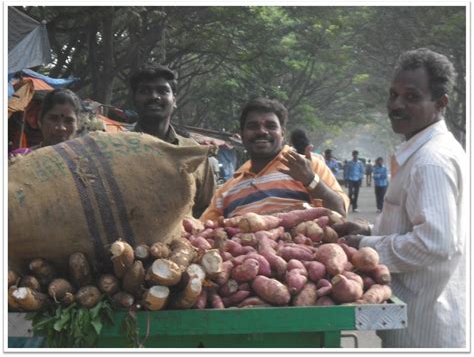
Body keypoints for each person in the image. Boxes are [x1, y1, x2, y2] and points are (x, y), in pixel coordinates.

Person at [333, 48, 466, 348]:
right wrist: (368, 231)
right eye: (393, 94)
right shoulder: (421, 153)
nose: (396, 104)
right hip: (419, 319)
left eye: (411, 96)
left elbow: (434, 243)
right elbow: (419, 225)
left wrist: (366, 246)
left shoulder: (431, 161)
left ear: (441, 102)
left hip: (425, 328)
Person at [200, 98, 349, 221]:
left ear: (282, 133)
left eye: (270, 126)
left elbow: (340, 213)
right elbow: (203, 231)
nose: (262, 131)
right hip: (246, 257)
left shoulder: (309, 167)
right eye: (253, 126)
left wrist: (311, 181)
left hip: (307, 255)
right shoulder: (226, 191)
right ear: (241, 135)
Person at [130, 63, 215, 218]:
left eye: (163, 91)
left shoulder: (194, 153)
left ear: (174, 100)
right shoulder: (116, 148)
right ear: (134, 100)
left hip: (184, 241)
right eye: (145, 91)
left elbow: (207, 208)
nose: (154, 97)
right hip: (123, 242)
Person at [8, 88, 81, 158]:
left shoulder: (86, 161)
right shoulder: (19, 159)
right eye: (53, 119)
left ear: (78, 123)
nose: (61, 127)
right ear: (40, 119)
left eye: (69, 120)